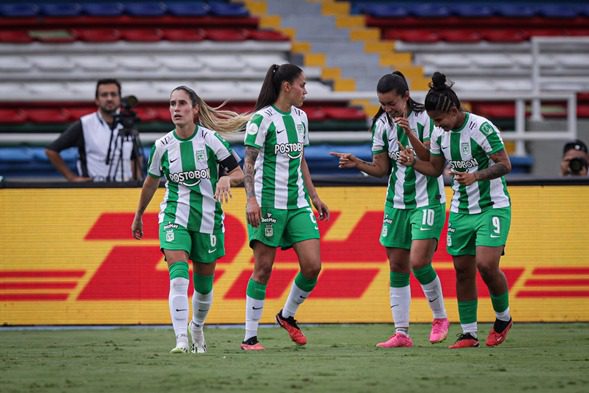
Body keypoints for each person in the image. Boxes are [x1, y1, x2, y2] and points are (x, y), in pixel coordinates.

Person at [330, 71, 449, 348]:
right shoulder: (381, 124)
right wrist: (357, 163)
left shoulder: (427, 119)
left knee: (418, 262)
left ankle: (440, 317)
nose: (387, 109)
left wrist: (409, 133)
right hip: (396, 203)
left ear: (405, 96)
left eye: (391, 103)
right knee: (397, 264)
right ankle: (401, 333)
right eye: (382, 104)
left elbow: (432, 164)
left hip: (427, 201)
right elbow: (382, 169)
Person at [399, 72, 513, 349]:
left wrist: (476, 176)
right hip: (461, 209)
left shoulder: (482, 128)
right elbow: (435, 168)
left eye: (439, 120)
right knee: (462, 270)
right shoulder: (440, 133)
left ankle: (503, 318)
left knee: (486, 265)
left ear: (452, 110)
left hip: (492, 207)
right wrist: (413, 161)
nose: (438, 126)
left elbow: (504, 164)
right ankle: (469, 333)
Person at [131, 86, 249, 353]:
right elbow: (150, 182)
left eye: (182, 103)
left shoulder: (211, 140)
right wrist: (139, 215)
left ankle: (196, 326)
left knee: (204, 286)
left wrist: (225, 178)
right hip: (174, 214)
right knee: (178, 274)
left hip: (208, 218)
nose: (176, 109)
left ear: (195, 109)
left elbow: (240, 172)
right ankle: (181, 340)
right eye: (172, 104)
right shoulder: (162, 146)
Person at [240, 63, 330, 351]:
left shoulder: (302, 118)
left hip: (298, 203)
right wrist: (250, 199)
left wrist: (314, 196)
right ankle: (250, 337)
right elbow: (249, 162)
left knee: (313, 266)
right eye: (302, 84)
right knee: (263, 269)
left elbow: (300, 159)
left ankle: (287, 315)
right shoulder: (261, 119)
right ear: (287, 86)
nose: (306, 90)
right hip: (268, 204)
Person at [45, 78, 140, 182]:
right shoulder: (85, 124)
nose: (109, 98)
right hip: (94, 191)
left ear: (120, 98)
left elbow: (135, 156)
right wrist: (72, 178)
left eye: (113, 94)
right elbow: (51, 150)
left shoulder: (127, 123)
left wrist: (136, 179)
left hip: (124, 190)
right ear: (97, 100)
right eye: (104, 95)